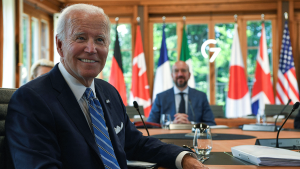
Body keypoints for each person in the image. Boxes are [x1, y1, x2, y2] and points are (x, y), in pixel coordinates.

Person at [5, 4, 207, 169]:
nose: (91, 49)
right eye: (81, 37)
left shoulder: (107, 91)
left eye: (100, 40)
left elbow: (136, 143)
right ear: (59, 45)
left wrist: (184, 158)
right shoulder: (31, 100)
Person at [148, 61, 216, 126]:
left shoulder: (201, 97)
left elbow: (211, 123)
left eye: (183, 70)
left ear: (189, 75)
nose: (180, 74)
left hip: (193, 136)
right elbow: (150, 124)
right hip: (167, 137)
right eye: (176, 71)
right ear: (172, 75)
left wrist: (192, 125)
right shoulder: (161, 97)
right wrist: (171, 125)